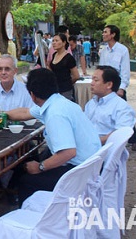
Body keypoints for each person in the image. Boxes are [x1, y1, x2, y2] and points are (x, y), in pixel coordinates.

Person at [7, 68, 101, 203]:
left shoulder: (55, 114)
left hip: (80, 172)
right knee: (41, 155)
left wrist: (40, 167)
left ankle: (34, 217)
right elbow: (25, 112)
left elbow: (68, 152)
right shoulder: (58, 102)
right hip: (91, 165)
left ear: (32, 95)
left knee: (27, 181)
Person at [99, 24, 136, 151]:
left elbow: (125, 71)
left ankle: (133, 139)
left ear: (113, 34)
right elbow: (102, 68)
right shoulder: (104, 50)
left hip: (117, 87)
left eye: (106, 32)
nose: (103, 34)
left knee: (123, 113)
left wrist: (122, 88)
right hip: (106, 86)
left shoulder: (122, 50)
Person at [85, 66, 136, 144]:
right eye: (92, 79)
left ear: (109, 85)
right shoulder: (91, 103)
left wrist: (96, 142)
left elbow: (121, 133)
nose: (92, 83)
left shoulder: (121, 107)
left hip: (107, 150)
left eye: (96, 80)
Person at [0, 54, 34, 119]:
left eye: (7, 69)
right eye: (0, 69)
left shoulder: (26, 91)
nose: (3, 72)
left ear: (15, 71)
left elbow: (31, 115)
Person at [49, 33, 80, 101]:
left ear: (64, 43)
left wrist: (67, 82)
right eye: (53, 41)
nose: (54, 43)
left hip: (65, 90)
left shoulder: (69, 58)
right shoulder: (54, 55)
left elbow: (76, 76)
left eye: (57, 41)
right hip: (55, 89)